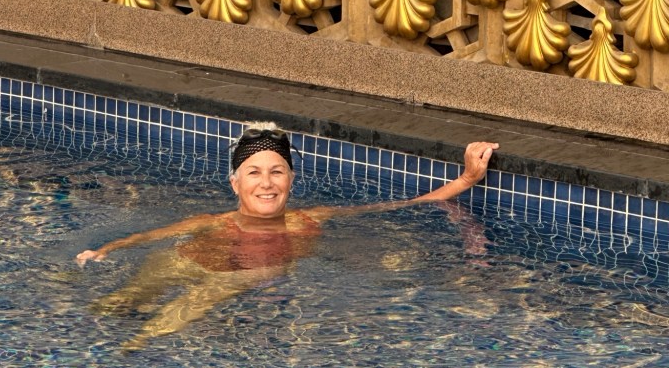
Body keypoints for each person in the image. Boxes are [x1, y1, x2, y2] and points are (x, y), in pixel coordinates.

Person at [76, 123, 498, 349]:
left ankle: (135, 346)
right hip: (189, 258)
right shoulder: (211, 220)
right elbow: (147, 236)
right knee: (128, 296)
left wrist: (466, 178)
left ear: (291, 180)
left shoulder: (309, 219)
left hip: (242, 275)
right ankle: (95, 330)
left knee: (203, 296)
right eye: (254, 173)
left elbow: (404, 205)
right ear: (235, 183)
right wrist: (106, 249)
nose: (266, 183)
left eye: (277, 171)